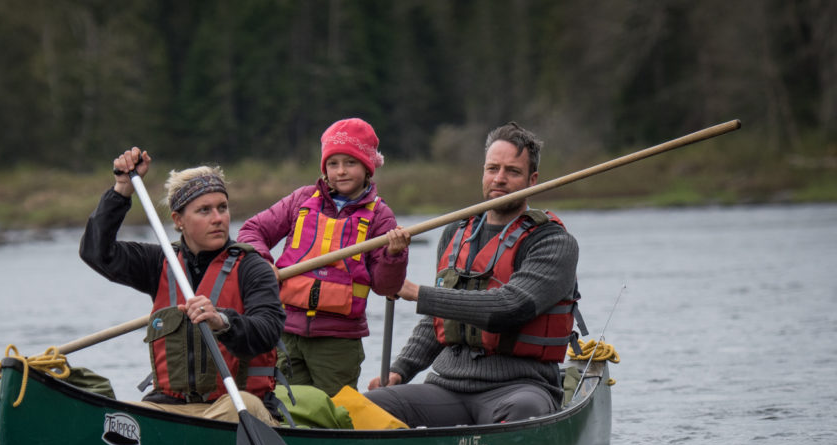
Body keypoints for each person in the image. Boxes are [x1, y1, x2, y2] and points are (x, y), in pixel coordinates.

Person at [364, 122, 584, 427]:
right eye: (492, 168)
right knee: (369, 408)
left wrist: (418, 293)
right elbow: (439, 319)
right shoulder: (456, 232)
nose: (500, 179)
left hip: (520, 388)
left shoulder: (553, 242)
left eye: (512, 171)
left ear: (533, 180)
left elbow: (509, 307)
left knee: (523, 413)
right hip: (447, 386)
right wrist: (400, 370)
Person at [80, 147, 284, 424]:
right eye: (204, 210)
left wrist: (222, 321)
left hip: (238, 405)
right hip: (172, 407)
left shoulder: (252, 267)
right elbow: (96, 252)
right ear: (178, 221)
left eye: (222, 208)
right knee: (117, 417)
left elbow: (268, 330)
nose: (218, 218)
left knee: (237, 408)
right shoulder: (159, 262)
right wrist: (122, 190)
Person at [238, 117, 411, 397]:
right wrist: (262, 263)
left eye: (350, 163)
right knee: (285, 406)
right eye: (333, 164)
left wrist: (395, 254)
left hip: (338, 341)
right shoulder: (301, 200)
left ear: (367, 168)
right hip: (286, 331)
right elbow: (252, 230)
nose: (341, 171)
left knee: (334, 413)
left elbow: (386, 287)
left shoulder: (381, 216)